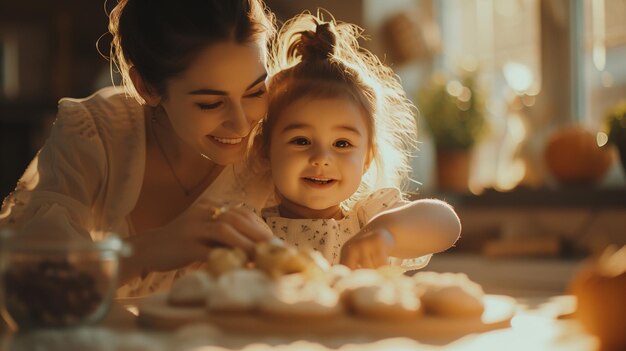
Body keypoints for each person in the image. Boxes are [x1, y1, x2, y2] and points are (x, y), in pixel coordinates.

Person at [0, 0, 278, 297]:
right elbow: (23, 280)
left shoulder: (285, 145)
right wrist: (146, 251)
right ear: (146, 87)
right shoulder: (96, 132)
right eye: (210, 103)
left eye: (255, 91)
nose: (240, 125)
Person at [252, 13, 461, 269]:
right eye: (301, 140)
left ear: (367, 158)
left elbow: (447, 223)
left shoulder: (368, 219)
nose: (321, 158)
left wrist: (385, 232)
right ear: (264, 149)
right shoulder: (252, 226)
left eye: (341, 144)